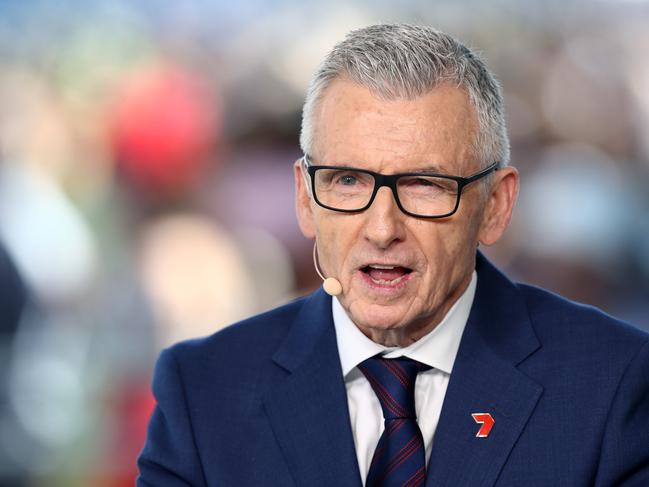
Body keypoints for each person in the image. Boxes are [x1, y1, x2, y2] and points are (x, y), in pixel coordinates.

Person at [137, 24, 649, 486]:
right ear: (304, 198)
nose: (382, 229)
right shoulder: (202, 391)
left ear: (495, 206)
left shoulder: (613, 386)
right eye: (347, 180)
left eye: (425, 185)